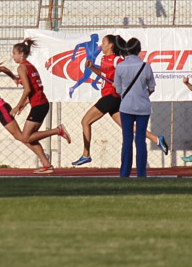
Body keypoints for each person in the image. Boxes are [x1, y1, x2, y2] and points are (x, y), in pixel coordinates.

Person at [71, 34, 168, 166]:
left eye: (104, 43)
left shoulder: (117, 60)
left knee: (85, 121)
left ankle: (86, 154)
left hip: (111, 97)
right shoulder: (105, 59)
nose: (101, 46)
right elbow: (104, 75)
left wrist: (121, 85)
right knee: (126, 126)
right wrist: (92, 67)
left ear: (111, 45)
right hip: (111, 98)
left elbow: (127, 70)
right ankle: (157, 139)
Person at [10, 37, 71, 149]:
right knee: (31, 138)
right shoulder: (30, 66)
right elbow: (35, 89)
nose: (12, 56)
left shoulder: (21, 67)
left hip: (39, 105)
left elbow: (28, 89)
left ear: (21, 54)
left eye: (14, 53)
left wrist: (17, 106)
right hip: (42, 104)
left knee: (26, 138)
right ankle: (46, 165)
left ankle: (57, 130)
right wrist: (25, 103)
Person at [113, 37, 156, 178]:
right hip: (143, 107)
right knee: (141, 140)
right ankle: (141, 173)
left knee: (127, 140)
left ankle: (124, 173)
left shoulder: (120, 67)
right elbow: (151, 88)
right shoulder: (146, 66)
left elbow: (118, 90)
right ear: (139, 50)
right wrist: (142, 95)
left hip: (126, 107)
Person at [68, 33, 101, 97]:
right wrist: (73, 55)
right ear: (93, 38)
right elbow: (78, 45)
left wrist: (101, 49)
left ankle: (94, 82)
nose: (98, 39)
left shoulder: (96, 45)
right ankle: (72, 88)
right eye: (97, 37)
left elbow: (95, 54)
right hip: (89, 64)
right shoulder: (87, 44)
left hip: (92, 64)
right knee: (85, 78)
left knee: (100, 71)